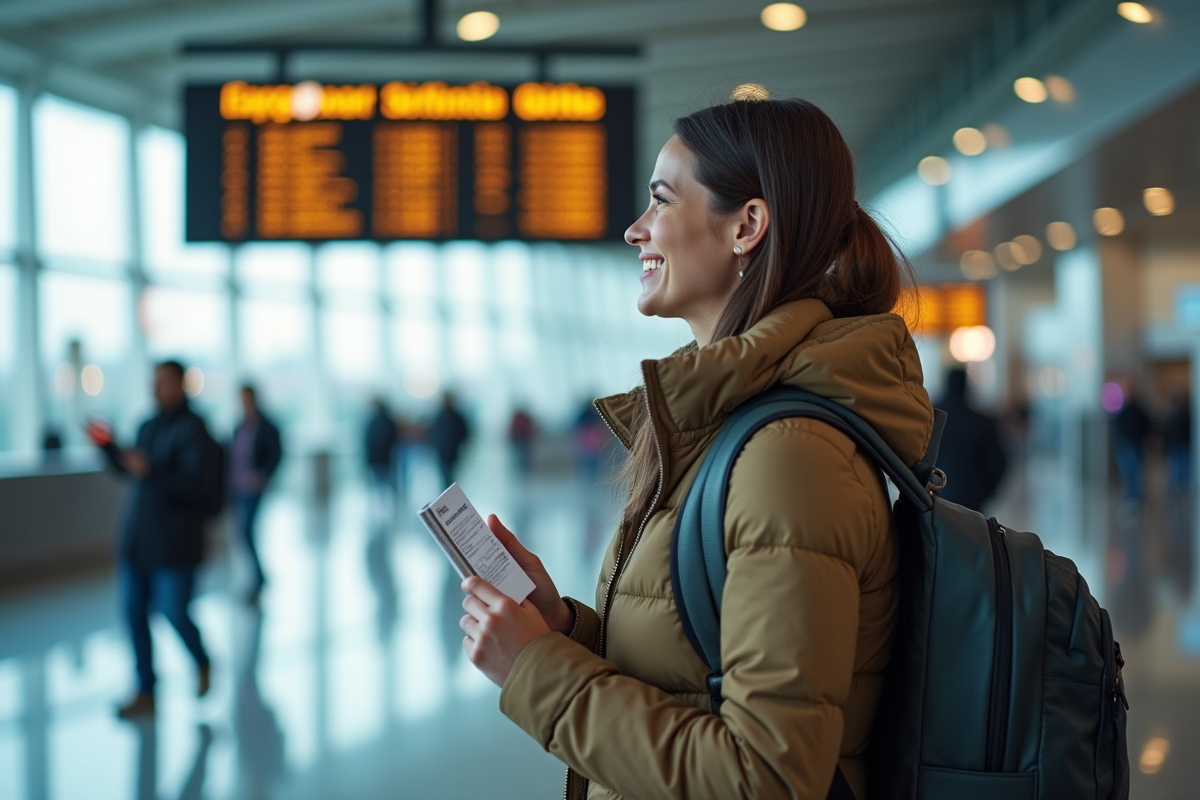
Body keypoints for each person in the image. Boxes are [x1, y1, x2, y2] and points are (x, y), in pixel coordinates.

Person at [455, 98, 932, 800]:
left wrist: (535, 669)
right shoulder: (727, 426)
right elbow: (692, 677)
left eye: (660, 200)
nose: (633, 230)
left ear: (747, 226)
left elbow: (765, 778)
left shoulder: (789, 457)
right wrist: (560, 629)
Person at [95, 360, 217, 718]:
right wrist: (109, 449)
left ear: (181, 384)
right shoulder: (148, 425)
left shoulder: (196, 431)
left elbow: (197, 488)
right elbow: (134, 470)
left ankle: (202, 660)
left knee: (174, 612)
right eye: (154, 381)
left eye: (162, 381)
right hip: (139, 540)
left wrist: (153, 470)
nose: (155, 387)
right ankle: (145, 688)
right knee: (134, 613)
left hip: (175, 543)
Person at [229, 384, 283, 602]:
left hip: (253, 487)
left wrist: (263, 476)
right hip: (236, 486)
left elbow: (276, 454)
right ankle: (257, 575)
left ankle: (257, 577)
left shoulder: (267, 426)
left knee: (246, 532)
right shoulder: (239, 425)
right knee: (243, 533)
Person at [933, 368, 1007, 512]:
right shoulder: (981, 422)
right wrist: (985, 492)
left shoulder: (931, 420)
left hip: (937, 497)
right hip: (972, 501)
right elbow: (999, 463)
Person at [1113, 383, 1153, 502]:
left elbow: (1147, 425)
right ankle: (1131, 496)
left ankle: (1135, 497)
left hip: (1136, 444)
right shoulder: (1123, 411)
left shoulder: (1139, 410)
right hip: (1126, 444)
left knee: (1135, 473)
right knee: (1128, 473)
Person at [427, 392, 470, 488]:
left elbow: (464, 433)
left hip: (453, 453)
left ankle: (450, 496)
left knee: (451, 478)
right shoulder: (439, 416)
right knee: (444, 477)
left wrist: (458, 444)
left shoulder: (457, 417)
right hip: (441, 453)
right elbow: (433, 433)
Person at [364, 398, 399, 504]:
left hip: (380, 458)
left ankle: (385, 502)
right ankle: (385, 502)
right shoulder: (385, 421)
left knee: (382, 483)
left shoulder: (374, 422)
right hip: (383, 458)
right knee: (382, 483)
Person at [1162, 390, 1191, 499]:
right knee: (1176, 467)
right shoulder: (1171, 416)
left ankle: (1183, 487)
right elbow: (1166, 431)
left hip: (1182, 444)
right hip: (1175, 444)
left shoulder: (1183, 414)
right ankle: (1175, 488)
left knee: (1183, 467)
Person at [508, 407, 537, 476]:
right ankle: (521, 469)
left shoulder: (521, 419)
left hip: (523, 439)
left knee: (522, 455)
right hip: (521, 439)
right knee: (522, 455)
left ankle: (522, 469)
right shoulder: (523, 418)